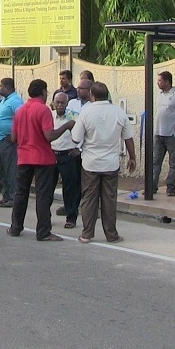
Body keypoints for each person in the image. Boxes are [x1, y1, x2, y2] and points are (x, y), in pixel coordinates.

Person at [8, 79, 75, 241]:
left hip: (24, 157)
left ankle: (15, 227)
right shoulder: (43, 110)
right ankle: (43, 231)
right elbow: (49, 136)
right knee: (43, 195)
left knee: (21, 193)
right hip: (42, 158)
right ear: (43, 92)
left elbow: (13, 137)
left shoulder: (20, 110)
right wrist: (66, 126)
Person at [71, 82, 136, 244]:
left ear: (92, 95)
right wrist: (132, 157)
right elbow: (128, 138)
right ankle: (111, 235)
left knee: (89, 199)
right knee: (109, 199)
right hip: (111, 164)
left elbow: (76, 138)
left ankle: (86, 234)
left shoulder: (86, 113)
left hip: (90, 163)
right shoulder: (118, 113)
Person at [51, 93, 81, 229]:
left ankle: (71, 217)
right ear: (53, 103)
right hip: (51, 154)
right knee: (47, 187)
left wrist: (80, 149)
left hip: (68, 155)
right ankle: (46, 216)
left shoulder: (73, 117)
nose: (60, 105)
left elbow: (84, 133)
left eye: (63, 103)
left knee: (70, 189)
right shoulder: (49, 116)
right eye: (57, 102)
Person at [0, 77, 22, 208]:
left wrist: (14, 134)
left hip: (8, 140)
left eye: (1, 86)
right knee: (2, 169)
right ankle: (6, 196)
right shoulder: (5, 100)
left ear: (8, 88)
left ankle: (13, 197)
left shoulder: (15, 100)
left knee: (11, 170)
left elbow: (21, 117)